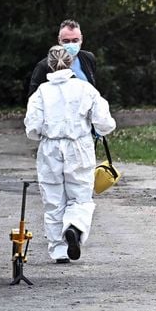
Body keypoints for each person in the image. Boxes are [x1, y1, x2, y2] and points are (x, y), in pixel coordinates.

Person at [25, 46, 116, 263]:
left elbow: (32, 128)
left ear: (49, 64)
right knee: (80, 196)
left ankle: (58, 249)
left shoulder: (41, 93)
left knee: (53, 198)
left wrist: (45, 135)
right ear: (70, 62)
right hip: (79, 147)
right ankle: (74, 227)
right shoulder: (85, 89)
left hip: (50, 148)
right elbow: (104, 123)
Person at [27, 19, 100, 99]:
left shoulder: (88, 58)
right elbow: (33, 99)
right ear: (59, 40)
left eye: (75, 40)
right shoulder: (44, 65)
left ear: (81, 39)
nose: (71, 44)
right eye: (66, 41)